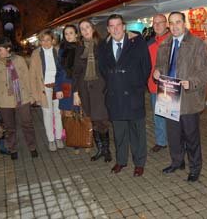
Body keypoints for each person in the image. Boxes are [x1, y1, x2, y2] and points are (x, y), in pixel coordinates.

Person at [154, 11, 207, 182]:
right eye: (171, 23)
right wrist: (157, 72)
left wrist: (191, 81)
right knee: (173, 134)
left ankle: (195, 167)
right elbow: (160, 66)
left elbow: (206, 72)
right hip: (169, 96)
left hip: (188, 98)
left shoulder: (197, 44)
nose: (174, 26)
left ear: (184, 23)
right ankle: (177, 162)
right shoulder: (164, 44)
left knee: (191, 136)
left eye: (178, 22)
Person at [98, 14, 151, 177]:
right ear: (108, 30)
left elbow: (146, 66)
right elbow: (102, 70)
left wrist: (136, 85)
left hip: (133, 94)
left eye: (118, 25)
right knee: (119, 132)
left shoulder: (137, 43)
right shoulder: (103, 46)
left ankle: (139, 163)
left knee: (137, 132)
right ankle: (121, 161)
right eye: (111, 26)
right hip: (115, 95)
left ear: (124, 26)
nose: (115, 29)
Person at [0, 37, 38, 160]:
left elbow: (27, 78)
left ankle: (32, 147)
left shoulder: (19, 60)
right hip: (4, 100)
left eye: (0, 50)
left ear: (8, 48)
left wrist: (32, 95)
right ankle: (13, 149)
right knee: (9, 127)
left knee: (27, 123)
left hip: (22, 97)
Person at [73, 19, 111, 162]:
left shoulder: (102, 45)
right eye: (82, 29)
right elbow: (76, 72)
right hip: (85, 89)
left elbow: (108, 67)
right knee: (93, 120)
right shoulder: (79, 48)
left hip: (101, 89)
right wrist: (75, 92)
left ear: (93, 28)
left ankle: (107, 150)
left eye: (87, 27)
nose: (85, 30)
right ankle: (100, 149)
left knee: (102, 120)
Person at [29, 29, 64, 152]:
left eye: (48, 40)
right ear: (40, 42)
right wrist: (35, 95)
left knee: (58, 113)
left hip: (57, 86)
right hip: (44, 88)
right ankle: (51, 140)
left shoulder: (58, 51)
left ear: (52, 40)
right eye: (43, 40)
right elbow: (32, 75)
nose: (45, 43)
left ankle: (59, 137)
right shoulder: (36, 54)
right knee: (47, 114)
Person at [54, 25, 81, 153]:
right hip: (65, 85)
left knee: (80, 113)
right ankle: (74, 140)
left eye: (71, 33)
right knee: (67, 115)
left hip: (79, 85)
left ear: (76, 34)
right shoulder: (62, 50)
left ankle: (83, 138)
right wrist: (57, 88)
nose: (69, 36)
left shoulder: (82, 48)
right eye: (66, 34)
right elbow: (59, 70)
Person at [147, 14, 170, 152]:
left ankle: (174, 142)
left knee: (171, 117)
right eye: (154, 23)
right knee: (158, 116)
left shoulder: (172, 40)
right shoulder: (150, 43)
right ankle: (161, 141)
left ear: (166, 24)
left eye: (160, 22)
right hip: (153, 85)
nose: (157, 25)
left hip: (169, 86)